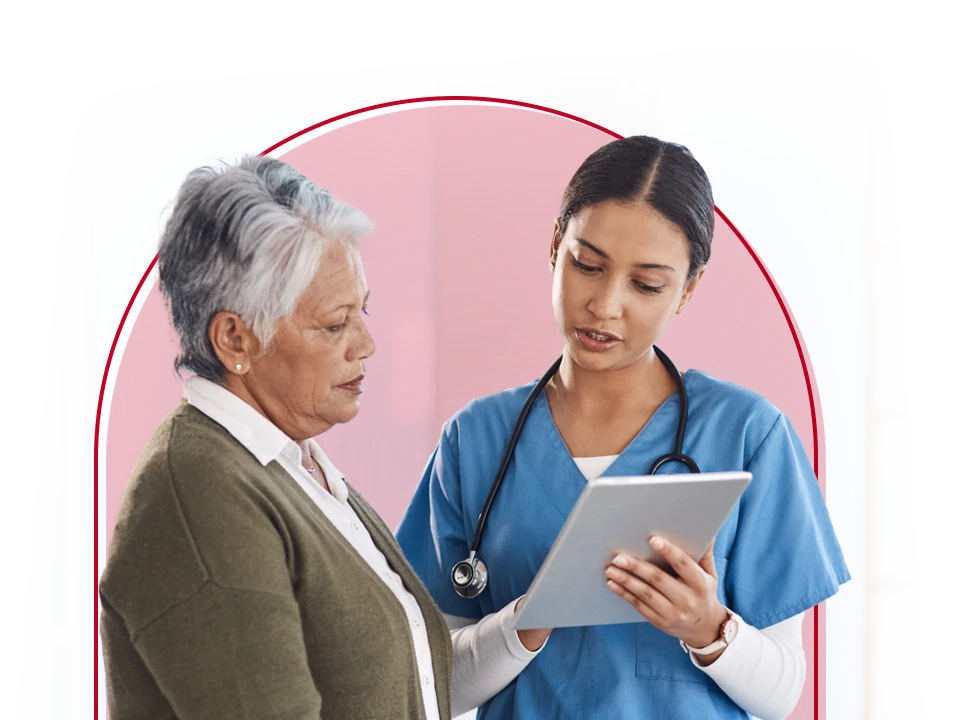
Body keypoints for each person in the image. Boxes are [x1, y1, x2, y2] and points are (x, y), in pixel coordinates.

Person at [396, 135, 851, 720]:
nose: (605, 305)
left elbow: (785, 691)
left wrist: (707, 627)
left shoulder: (748, 435)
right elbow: (431, 684)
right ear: (555, 246)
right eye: (587, 265)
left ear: (687, 290)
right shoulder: (476, 439)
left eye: (646, 285)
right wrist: (523, 625)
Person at [99, 155, 540, 720]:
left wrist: (530, 619)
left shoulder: (295, 465)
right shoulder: (199, 492)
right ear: (235, 339)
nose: (366, 345)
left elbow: (404, 687)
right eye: (335, 324)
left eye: (364, 311)